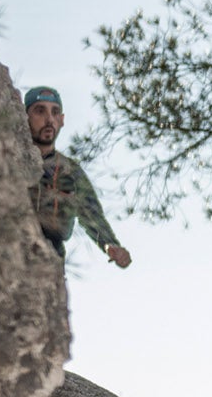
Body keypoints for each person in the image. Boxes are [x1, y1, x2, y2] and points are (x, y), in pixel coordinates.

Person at [24, 86, 132, 268]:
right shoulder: (12, 157)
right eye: (39, 111)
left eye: (55, 112)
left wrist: (109, 245)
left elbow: (90, 213)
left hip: (52, 257)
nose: (48, 119)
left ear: (62, 120)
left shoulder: (70, 171)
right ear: (25, 116)